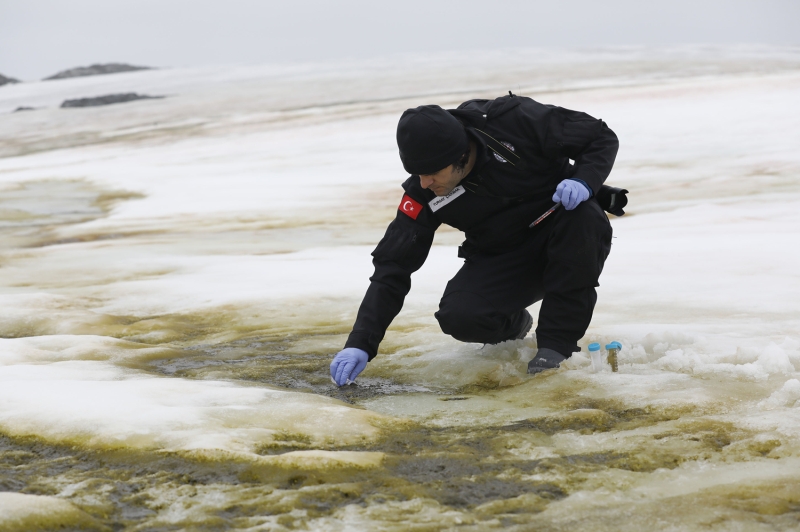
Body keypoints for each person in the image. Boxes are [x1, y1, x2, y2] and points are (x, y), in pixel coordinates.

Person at [330, 92, 625, 386]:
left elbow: (600, 137)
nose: (424, 183)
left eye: (431, 172)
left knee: (583, 216)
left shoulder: (513, 121)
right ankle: (515, 325)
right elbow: (392, 269)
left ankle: (555, 347)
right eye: (417, 173)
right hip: (504, 255)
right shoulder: (425, 193)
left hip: (565, 227)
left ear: (460, 154)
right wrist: (361, 342)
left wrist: (584, 179)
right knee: (460, 316)